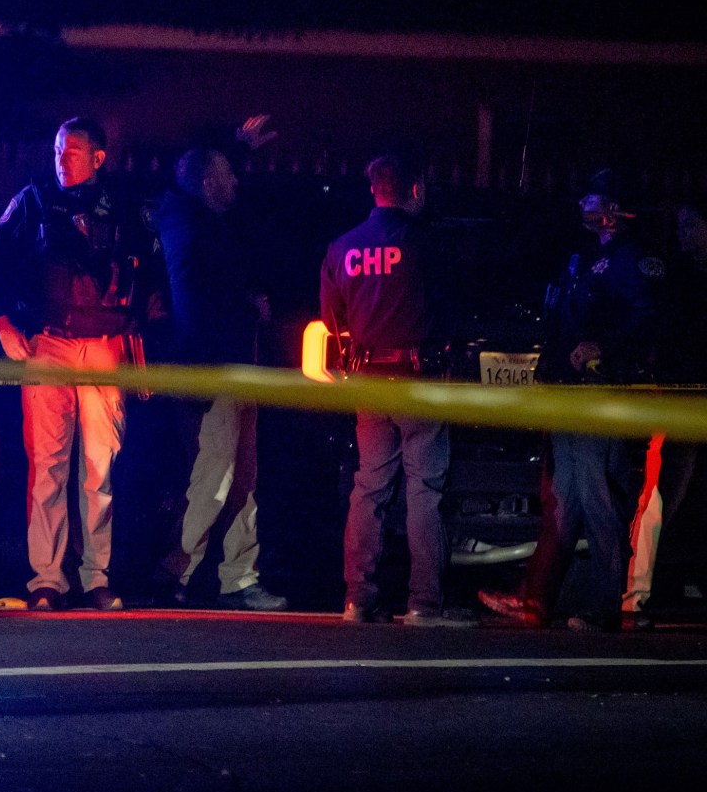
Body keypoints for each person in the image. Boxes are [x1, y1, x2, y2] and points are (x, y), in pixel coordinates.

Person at [0, 117, 160, 611]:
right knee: (47, 466)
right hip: (49, 344)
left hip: (105, 344)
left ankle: (97, 576)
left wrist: (142, 338)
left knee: (100, 468)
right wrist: (3, 325)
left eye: (73, 151)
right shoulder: (33, 201)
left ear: (99, 157)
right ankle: (46, 579)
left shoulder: (127, 205)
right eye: (57, 150)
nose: (61, 159)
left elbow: (153, 278)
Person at [482, 171, 662, 631]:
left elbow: (647, 318)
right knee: (565, 499)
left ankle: (605, 606)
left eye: (593, 197)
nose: (582, 203)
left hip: (597, 391)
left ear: (615, 209)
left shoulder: (632, 258)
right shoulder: (583, 256)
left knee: (599, 498)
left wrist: (605, 347)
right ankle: (537, 599)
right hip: (566, 389)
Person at [321, 155, 469, 625]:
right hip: (418, 379)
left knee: (369, 486)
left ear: (374, 190)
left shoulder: (343, 247)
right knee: (424, 488)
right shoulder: (426, 243)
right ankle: (425, 603)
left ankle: (358, 599)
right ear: (416, 189)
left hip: (369, 381)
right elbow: (451, 309)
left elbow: (332, 318)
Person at [154, 145, 286, 610]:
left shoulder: (203, 225)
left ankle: (238, 578)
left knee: (242, 477)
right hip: (214, 370)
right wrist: (248, 308)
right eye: (228, 173)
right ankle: (175, 569)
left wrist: (239, 148)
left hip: (234, 366)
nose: (237, 182)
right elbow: (199, 301)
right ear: (208, 184)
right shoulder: (187, 226)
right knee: (217, 475)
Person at [623, 201, 707, 628]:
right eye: (679, 225)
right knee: (665, 493)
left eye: (691, 224)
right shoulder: (679, 278)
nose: (682, 232)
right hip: (682, 398)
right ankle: (644, 592)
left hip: (689, 396)